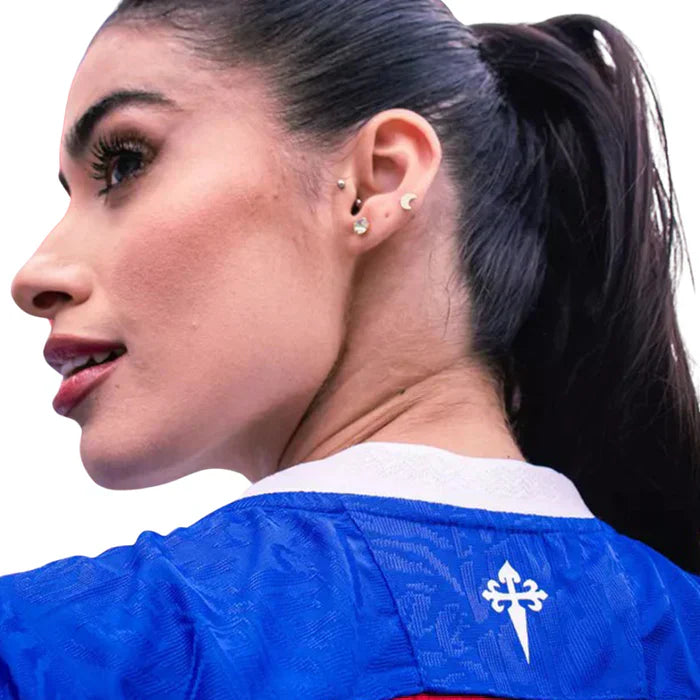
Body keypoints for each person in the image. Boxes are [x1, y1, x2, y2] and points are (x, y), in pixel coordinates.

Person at [4, 0, 699, 697]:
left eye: (123, 164)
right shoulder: (677, 631)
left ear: (376, 181)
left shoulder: (51, 654)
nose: (33, 276)